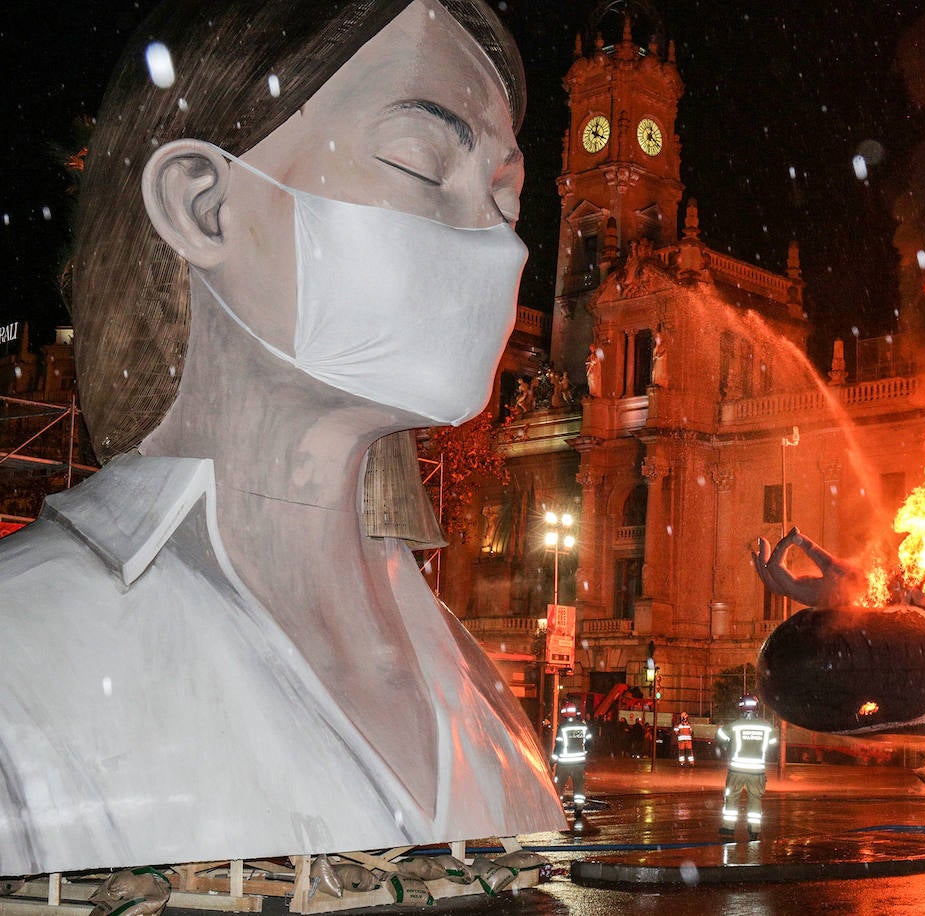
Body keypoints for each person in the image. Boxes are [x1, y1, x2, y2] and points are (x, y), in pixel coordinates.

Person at [0, 0, 564, 875]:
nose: (500, 242)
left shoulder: (477, 682)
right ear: (202, 204)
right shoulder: (23, 653)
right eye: (421, 163)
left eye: (505, 193)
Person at [716, 694, 777, 840]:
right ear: (757, 708)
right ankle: (754, 830)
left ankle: (729, 829)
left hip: (737, 770)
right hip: (757, 771)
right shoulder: (767, 727)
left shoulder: (736, 725)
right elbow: (773, 743)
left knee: (732, 798)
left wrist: (728, 744)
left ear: (741, 708)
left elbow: (720, 736)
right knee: (755, 799)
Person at [552, 702, 592, 831]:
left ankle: (557, 808)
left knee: (559, 786)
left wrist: (553, 761)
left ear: (564, 713)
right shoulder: (583, 726)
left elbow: (558, 747)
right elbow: (590, 742)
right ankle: (579, 810)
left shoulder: (562, 727)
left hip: (564, 763)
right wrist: (583, 752)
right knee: (579, 787)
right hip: (579, 763)